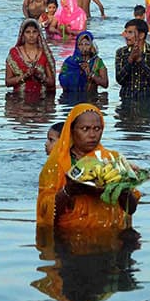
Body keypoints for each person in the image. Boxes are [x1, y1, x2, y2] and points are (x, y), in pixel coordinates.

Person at [36, 104, 139, 252]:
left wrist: (121, 188)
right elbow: (44, 209)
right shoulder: (57, 164)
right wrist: (68, 191)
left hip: (112, 239)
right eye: (85, 129)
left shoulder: (113, 160)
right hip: (70, 240)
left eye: (97, 129)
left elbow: (131, 208)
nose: (92, 135)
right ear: (72, 131)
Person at [5, 18, 56, 96]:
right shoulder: (14, 53)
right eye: (28, 32)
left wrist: (41, 77)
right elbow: (8, 82)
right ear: (23, 34)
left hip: (41, 101)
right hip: (19, 101)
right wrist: (24, 77)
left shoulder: (44, 54)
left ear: (39, 34)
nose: (31, 35)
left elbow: (52, 82)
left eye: (34, 32)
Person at [115, 19, 150, 99]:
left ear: (141, 35)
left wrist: (140, 61)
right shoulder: (121, 52)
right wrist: (130, 60)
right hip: (126, 98)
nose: (126, 36)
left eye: (130, 32)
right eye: (126, 32)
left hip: (147, 99)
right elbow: (119, 80)